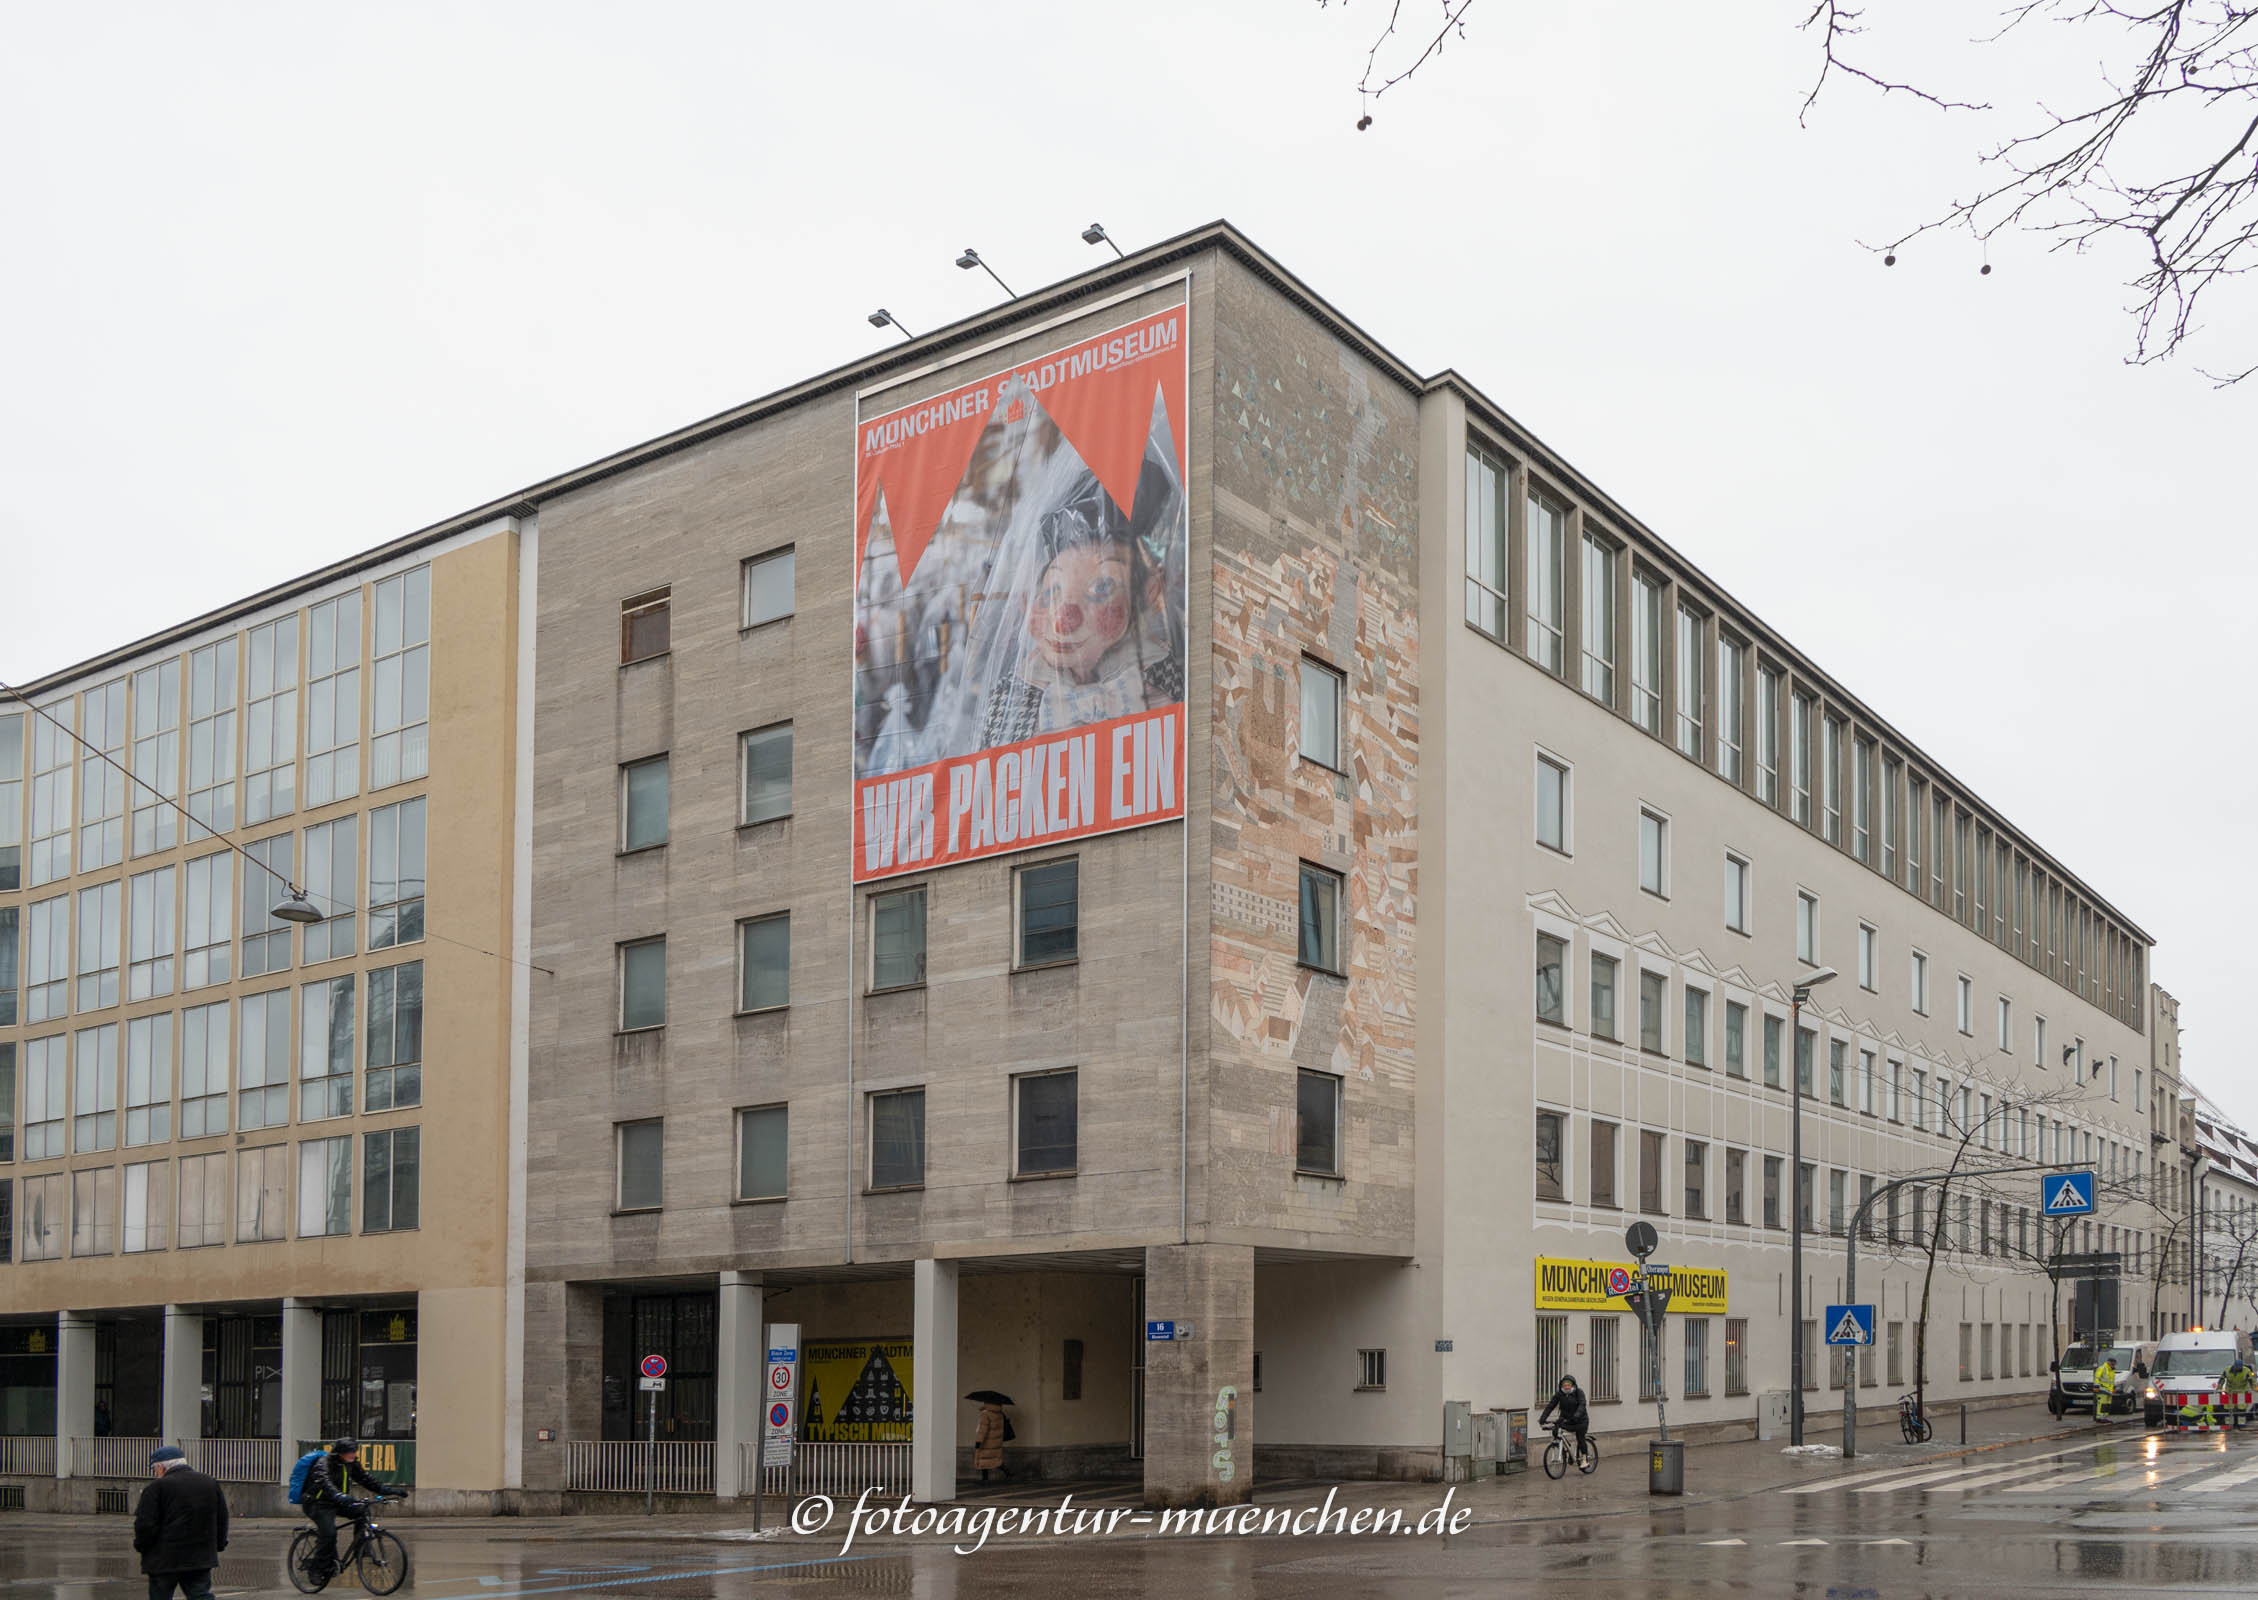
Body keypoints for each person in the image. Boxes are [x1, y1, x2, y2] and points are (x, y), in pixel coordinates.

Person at [133, 1445, 228, 1600]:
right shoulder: (209, 1483)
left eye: (154, 1469)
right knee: (200, 1595)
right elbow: (222, 1519)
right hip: (200, 1557)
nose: (155, 1473)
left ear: (160, 1467)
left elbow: (145, 1525)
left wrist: (142, 1546)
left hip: (163, 1559)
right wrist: (219, 1544)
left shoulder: (156, 1488)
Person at [300, 1438, 395, 1581]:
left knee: (362, 1511)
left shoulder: (351, 1464)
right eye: (350, 1452)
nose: (353, 1454)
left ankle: (360, 1550)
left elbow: (367, 1480)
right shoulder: (324, 1463)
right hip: (318, 1503)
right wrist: (339, 1495)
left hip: (338, 1501)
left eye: (354, 1451)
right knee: (329, 1534)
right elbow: (325, 1482)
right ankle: (316, 1570)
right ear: (340, 1452)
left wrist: (390, 1491)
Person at [1539, 1375, 1590, 1463]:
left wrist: (1576, 1415)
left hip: (1580, 1421)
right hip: (1566, 1420)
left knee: (1580, 1438)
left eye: (1568, 1385)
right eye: (1564, 1385)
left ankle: (1585, 1459)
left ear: (1572, 1385)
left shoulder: (1578, 1392)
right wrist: (1543, 1418)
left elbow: (1582, 1405)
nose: (1566, 1386)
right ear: (1561, 1386)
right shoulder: (1559, 1394)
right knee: (1556, 1431)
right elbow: (1550, 1406)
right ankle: (1566, 1451)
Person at [973, 1401, 1009, 1484]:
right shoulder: (1000, 1414)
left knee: (983, 1459)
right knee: (995, 1459)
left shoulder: (985, 1414)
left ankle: (985, 1479)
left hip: (986, 1441)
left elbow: (982, 1430)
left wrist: (979, 1441)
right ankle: (1008, 1472)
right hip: (996, 1441)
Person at [2092, 1355, 2116, 1424]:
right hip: (2102, 1389)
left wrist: (2113, 1388)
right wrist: (2096, 1386)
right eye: (2112, 1363)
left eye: (2114, 1364)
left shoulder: (2112, 1370)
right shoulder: (2103, 1368)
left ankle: (2104, 1418)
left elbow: (2111, 1381)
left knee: (2107, 1405)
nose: (2113, 1365)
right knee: (2102, 1404)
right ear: (2109, 1363)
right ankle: (2099, 1418)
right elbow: (2097, 1378)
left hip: (2109, 1391)